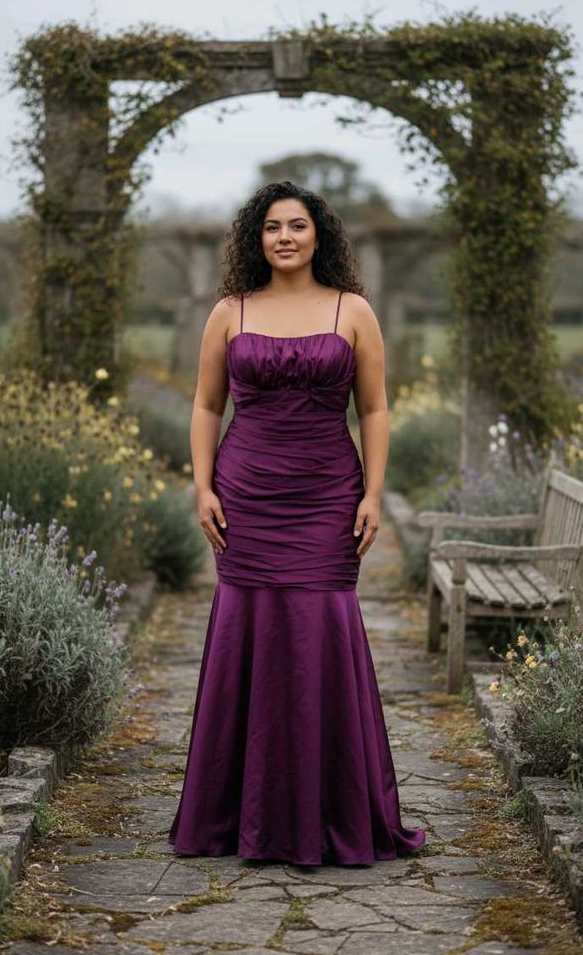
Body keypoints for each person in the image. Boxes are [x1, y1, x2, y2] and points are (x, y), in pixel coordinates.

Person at [168, 180, 425, 866]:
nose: (285, 237)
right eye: (272, 227)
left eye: (298, 226)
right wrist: (201, 488)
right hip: (246, 494)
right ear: (257, 238)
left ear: (319, 236)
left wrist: (372, 494)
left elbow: (373, 410)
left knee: (320, 630)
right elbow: (204, 407)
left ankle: (334, 816)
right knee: (244, 631)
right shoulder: (230, 312)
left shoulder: (352, 311)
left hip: (326, 497)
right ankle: (236, 818)